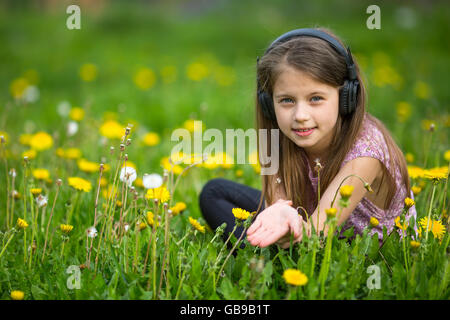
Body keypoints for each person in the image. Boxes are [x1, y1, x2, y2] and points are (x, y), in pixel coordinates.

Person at [199, 27, 417, 249]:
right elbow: (280, 205)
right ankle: (262, 259)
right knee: (214, 193)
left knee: (292, 246)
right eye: (287, 100)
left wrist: (284, 227)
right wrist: (280, 214)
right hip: (307, 232)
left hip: (354, 254)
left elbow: (314, 234)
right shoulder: (278, 136)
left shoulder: (366, 154)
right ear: (268, 104)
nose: (300, 116)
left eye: (315, 98)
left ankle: (261, 260)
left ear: (345, 97)